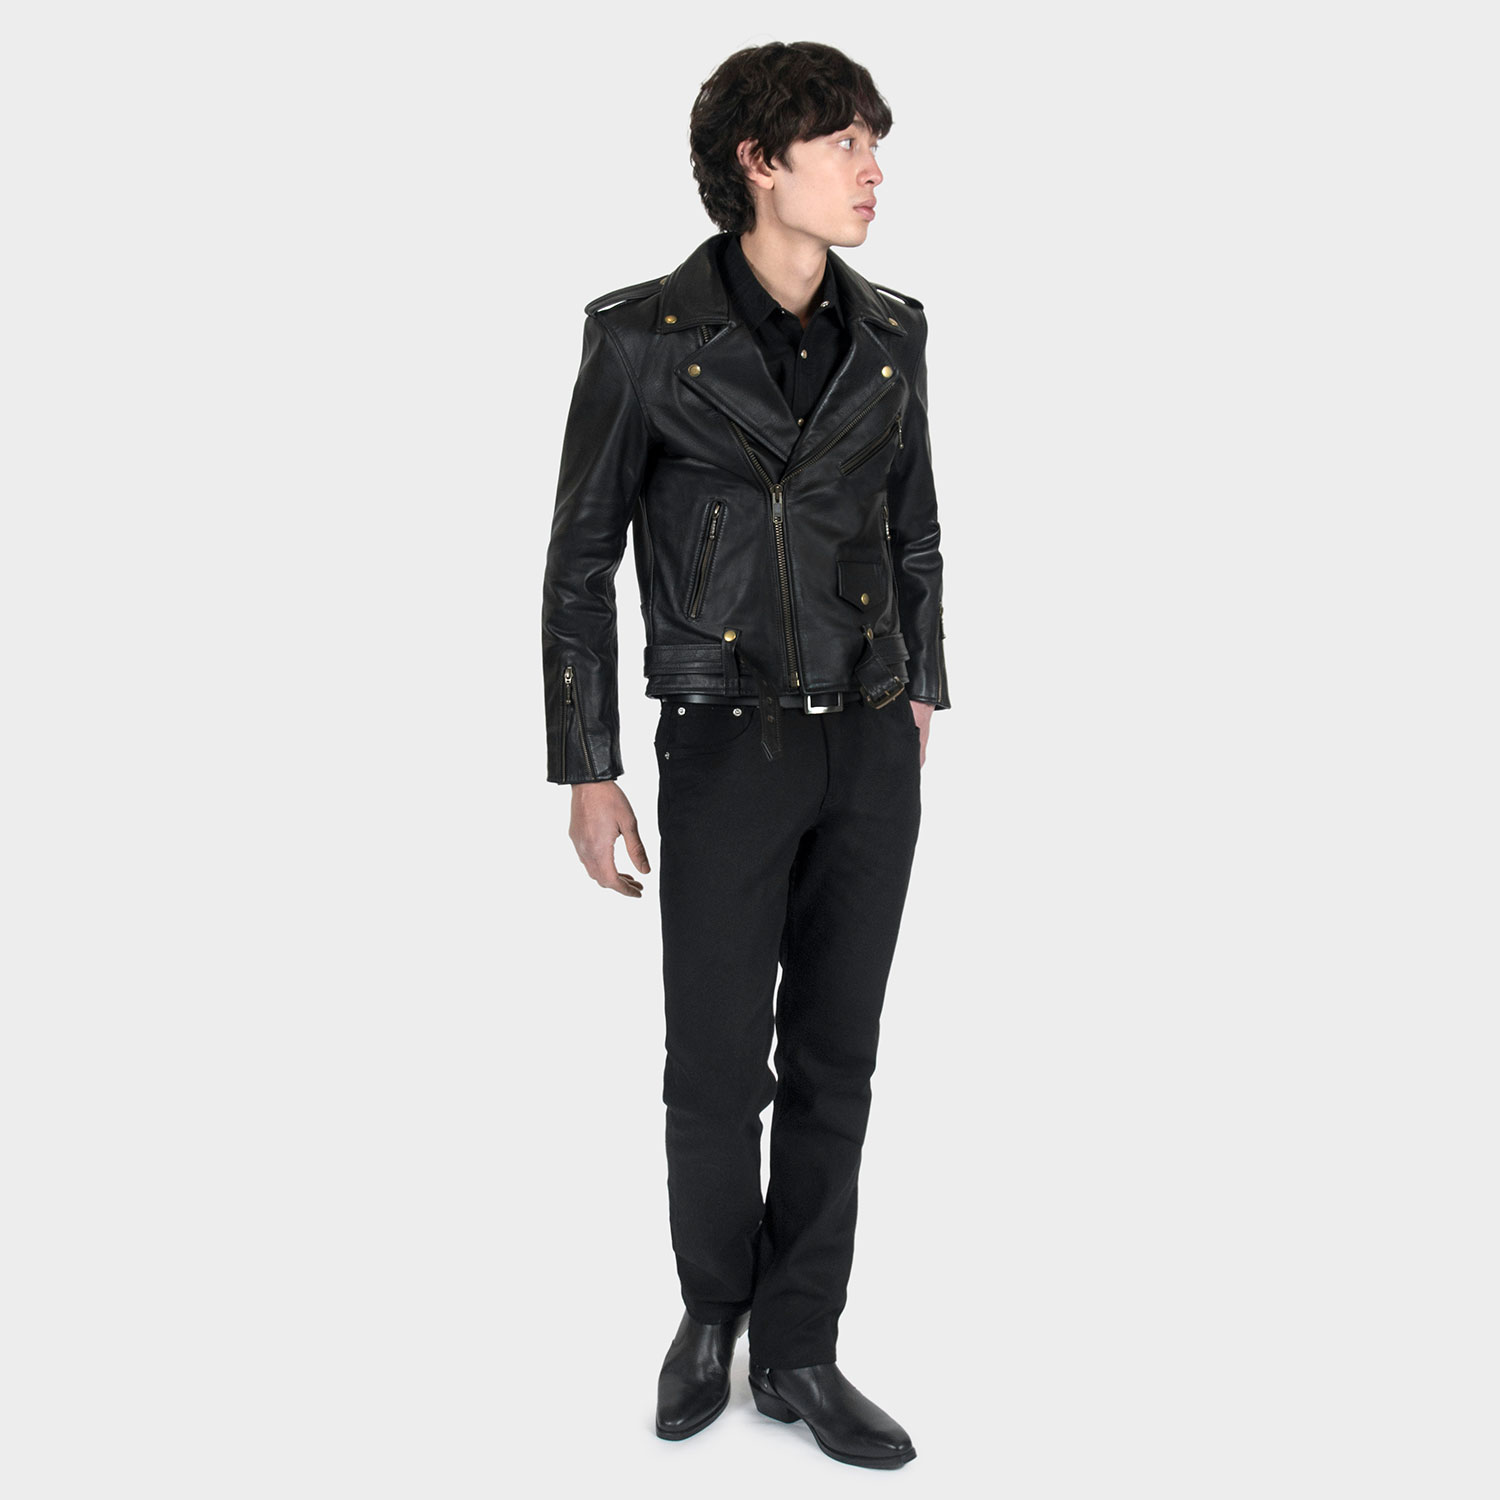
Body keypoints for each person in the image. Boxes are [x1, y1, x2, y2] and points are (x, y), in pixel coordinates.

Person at [540, 40, 950, 1470]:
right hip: (723, 743)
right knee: (715, 1067)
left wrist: (920, 689)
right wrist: (590, 768)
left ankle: (800, 1344)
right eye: (846, 144)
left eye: (874, 143)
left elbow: (915, 527)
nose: (874, 169)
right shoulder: (644, 339)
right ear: (759, 165)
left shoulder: (891, 333)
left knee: (839, 1058)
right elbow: (579, 564)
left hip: (869, 747)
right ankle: (712, 1309)